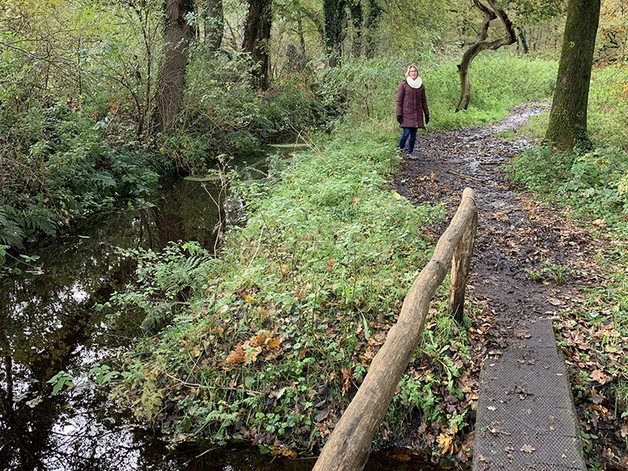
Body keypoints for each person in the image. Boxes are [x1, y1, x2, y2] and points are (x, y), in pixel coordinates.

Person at [396, 65, 429, 158]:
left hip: (417, 114)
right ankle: (398, 152)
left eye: (415, 71)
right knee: (406, 133)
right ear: (408, 73)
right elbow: (399, 100)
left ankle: (410, 153)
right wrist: (398, 114)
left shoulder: (421, 86)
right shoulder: (403, 85)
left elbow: (423, 101)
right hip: (406, 113)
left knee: (414, 135)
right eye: (411, 71)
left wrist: (426, 113)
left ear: (417, 72)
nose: (413, 73)